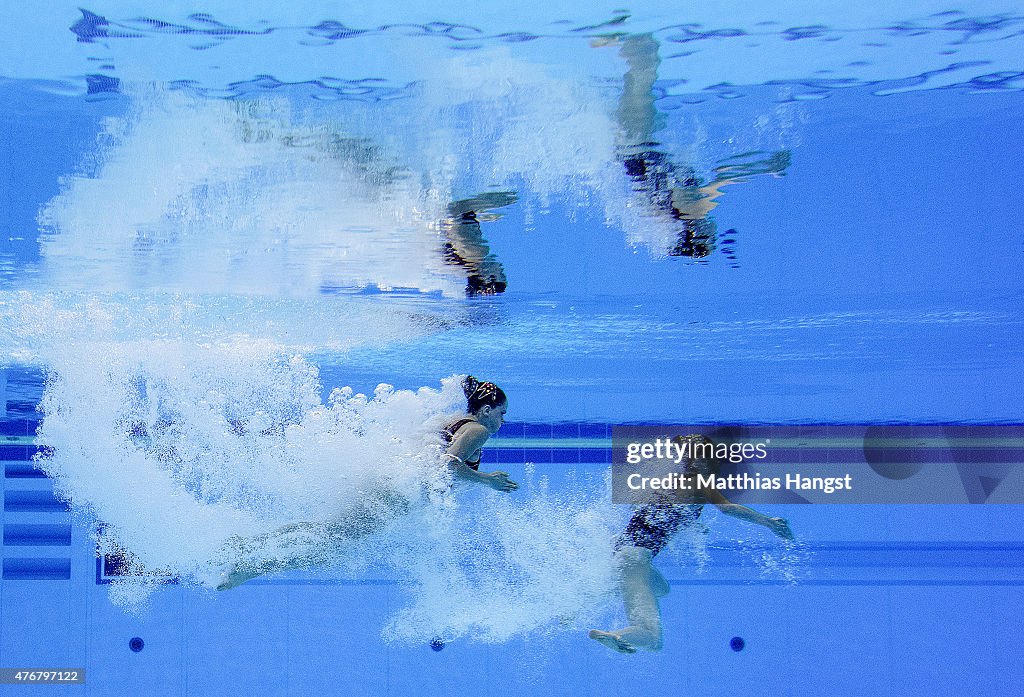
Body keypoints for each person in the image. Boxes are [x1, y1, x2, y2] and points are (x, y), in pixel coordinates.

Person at [215, 376, 516, 590]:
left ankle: (246, 547)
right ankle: (247, 563)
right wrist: (487, 480)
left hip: (390, 482)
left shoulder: (453, 418)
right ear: (486, 409)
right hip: (397, 494)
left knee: (326, 532)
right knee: (327, 549)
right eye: (501, 413)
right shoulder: (478, 429)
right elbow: (446, 465)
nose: (502, 421)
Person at [589, 434, 793, 654]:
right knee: (652, 638)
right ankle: (614, 635)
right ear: (702, 462)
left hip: (627, 557)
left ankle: (586, 600)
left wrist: (692, 525)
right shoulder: (699, 481)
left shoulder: (669, 483)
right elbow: (728, 508)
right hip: (634, 561)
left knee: (661, 588)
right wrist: (768, 522)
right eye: (714, 460)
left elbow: (651, 514)